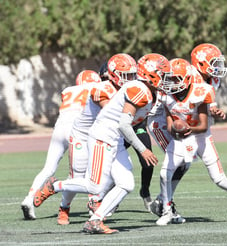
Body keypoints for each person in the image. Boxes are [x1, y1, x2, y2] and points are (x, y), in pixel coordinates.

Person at [33, 53, 162, 234]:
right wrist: (143, 149)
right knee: (94, 185)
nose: (166, 79)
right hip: (102, 136)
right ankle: (54, 186)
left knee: (126, 184)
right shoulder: (136, 90)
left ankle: (95, 220)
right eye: (162, 74)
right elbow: (124, 123)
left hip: (114, 138)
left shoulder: (146, 91)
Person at [154, 57, 227, 226]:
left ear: (187, 79)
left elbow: (203, 125)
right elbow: (169, 126)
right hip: (181, 139)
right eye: (169, 78)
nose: (171, 83)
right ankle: (167, 211)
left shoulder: (200, 92)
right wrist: (177, 129)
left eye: (175, 79)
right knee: (164, 174)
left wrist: (188, 128)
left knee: (219, 179)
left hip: (200, 137)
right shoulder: (165, 95)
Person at [147, 44, 227, 221]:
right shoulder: (190, 75)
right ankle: (164, 203)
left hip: (182, 119)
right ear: (200, 63)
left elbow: (204, 102)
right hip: (161, 120)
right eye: (213, 62)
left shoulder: (211, 79)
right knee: (179, 160)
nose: (217, 67)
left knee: (185, 163)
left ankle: (162, 201)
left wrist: (212, 109)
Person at [55, 55, 128, 225]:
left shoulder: (121, 91)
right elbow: (113, 114)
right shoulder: (101, 89)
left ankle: (95, 201)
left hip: (100, 136)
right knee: (77, 175)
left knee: (107, 172)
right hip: (83, 134)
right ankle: (64, 207)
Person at [20, 70, 101, 221]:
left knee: (48, 168)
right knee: (80, 174)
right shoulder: (96, 89)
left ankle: (29, 198)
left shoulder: (68, 90)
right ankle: (85, 205)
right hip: (77, 130)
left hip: (59, 128)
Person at [99, 61, 154, 211]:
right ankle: (110, 197)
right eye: (125, 75)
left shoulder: (136, 88)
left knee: (148, 162)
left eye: (130, 74)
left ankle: (145, 191)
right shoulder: (105, 89)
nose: (127, 78)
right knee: (112, 165)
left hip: (137, 127)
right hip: (118, 130)